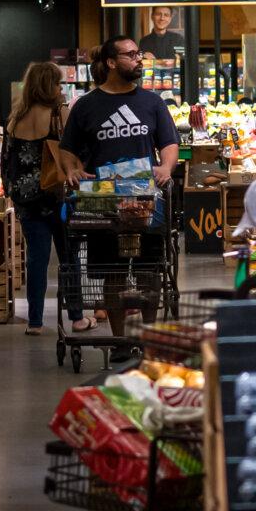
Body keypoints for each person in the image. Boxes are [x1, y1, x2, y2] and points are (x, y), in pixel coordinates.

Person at [59, 36, 180, 332]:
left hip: (145, 200)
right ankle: (119, 341)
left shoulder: (152, 102)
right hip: (103, 202)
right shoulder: (87, 106)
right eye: (130, 55)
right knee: (112, 275)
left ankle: (149, 336)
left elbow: (169, 142)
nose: (138, 59)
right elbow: (67, 149)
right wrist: (72, 170)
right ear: (111, 62)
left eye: (139, 54)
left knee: (149, 273)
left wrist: (166, 166)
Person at [0, 63, 95, 335]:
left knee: (36, 260)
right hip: (57, 195)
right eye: (57, 84)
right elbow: (75, 150)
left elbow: (5, 161)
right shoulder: (59, 114)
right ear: (47, 86)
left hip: (26, 199)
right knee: (69, 257)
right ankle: (76, 317)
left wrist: (11, 190)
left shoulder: (15, 119)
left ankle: (35, 322)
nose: (60, 89)